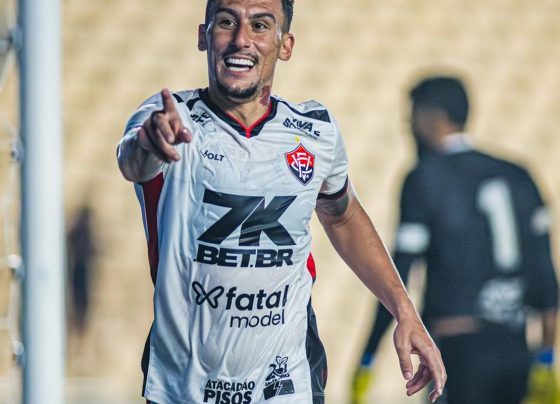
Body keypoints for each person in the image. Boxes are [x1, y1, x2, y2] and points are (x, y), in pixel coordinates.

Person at [117, 1, 446, 403]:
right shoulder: (167, 118)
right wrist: (149, 142)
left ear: (285, 45)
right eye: (226, 22)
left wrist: (404, 311)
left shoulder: (314, 131)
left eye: (259, 25)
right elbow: (133, 162)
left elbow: (342, 217)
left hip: (287, 380)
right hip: (183, 385)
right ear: (204, 36)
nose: (241, 39)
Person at [351, 75, 559, 404]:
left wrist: (368, 355)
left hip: (458, 350)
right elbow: (544, 270)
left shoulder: (425, 176)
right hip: (516, 349)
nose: (409, 127)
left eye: (412, 116)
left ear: (431, 116)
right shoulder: (519, 175)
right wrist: (546, 357)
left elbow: (398, 273)